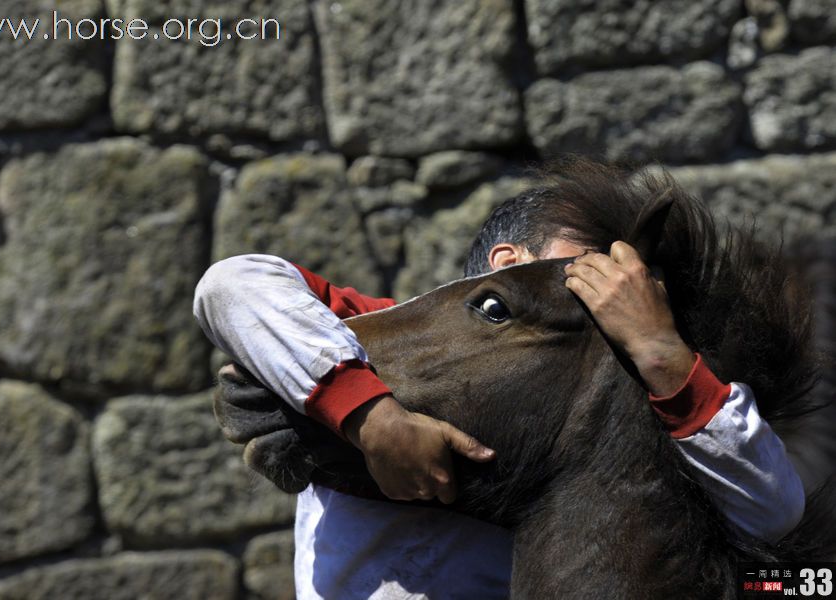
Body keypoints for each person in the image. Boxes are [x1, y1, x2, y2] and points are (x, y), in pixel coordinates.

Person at [193, 165, 805, 599]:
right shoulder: (359, 336)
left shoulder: (636, 388)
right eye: (585, 270)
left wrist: (660, 350)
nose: (610, 290)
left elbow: (773, 510)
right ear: (511, 265)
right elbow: (234, 285)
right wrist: (375, 420)